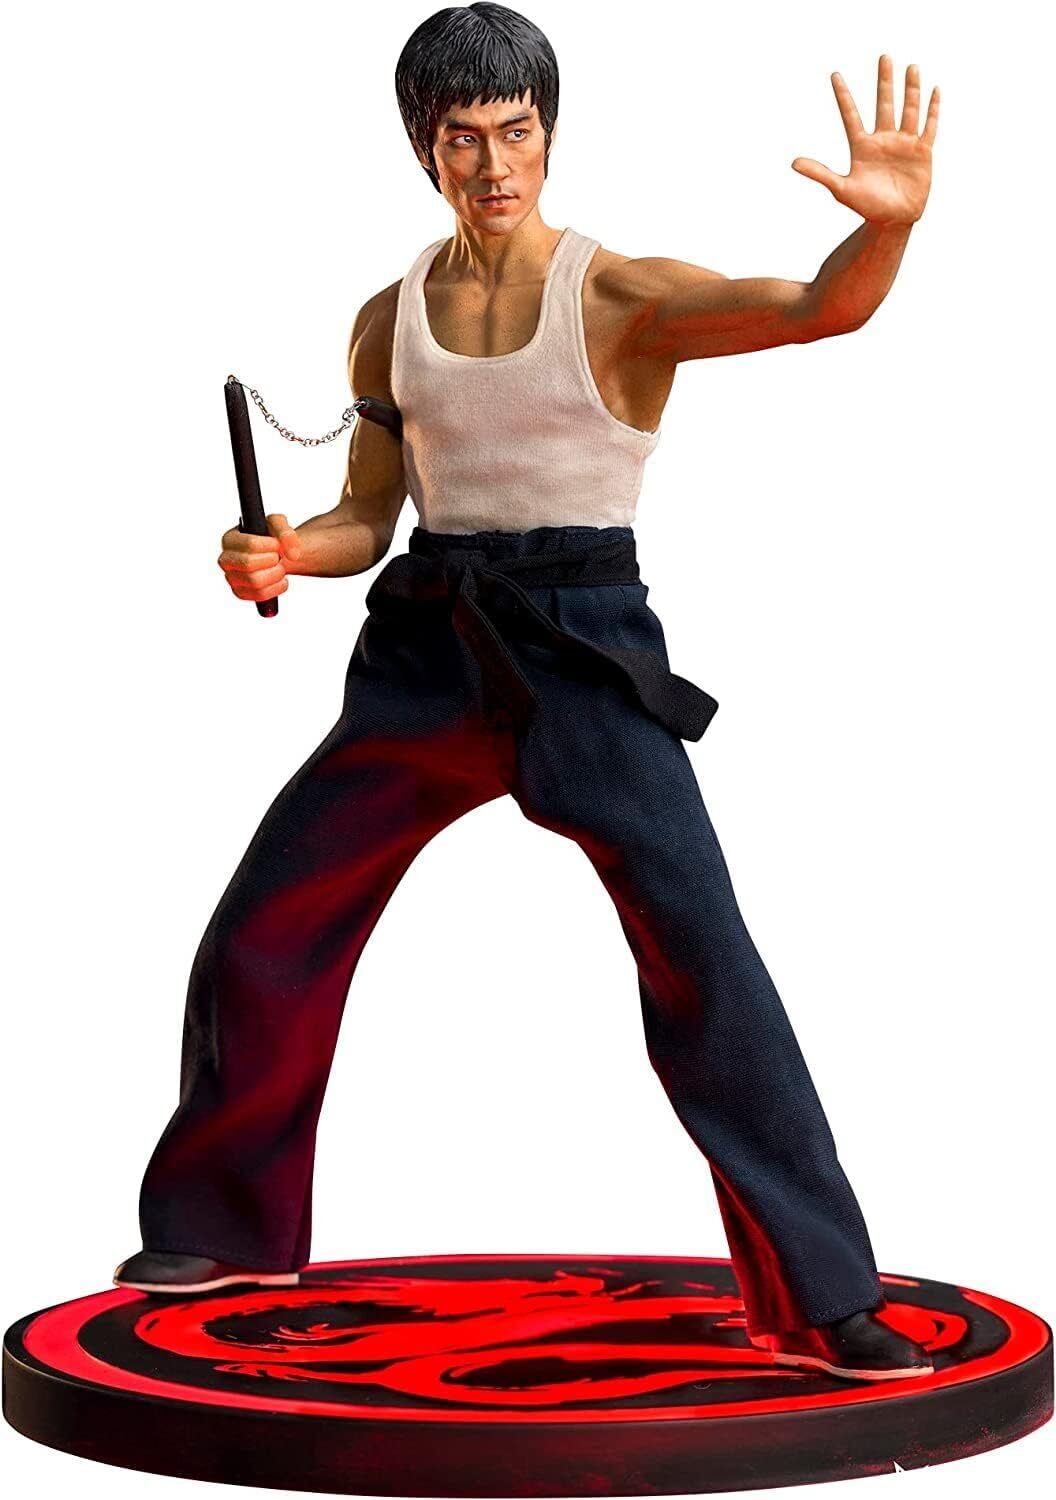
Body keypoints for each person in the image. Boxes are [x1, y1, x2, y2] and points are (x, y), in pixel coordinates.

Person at [115, 3, 940, 1382]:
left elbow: (819, 308)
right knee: (268, 923)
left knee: (706, 961)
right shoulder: (386, 321)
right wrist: (285, 550)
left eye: (517, 132)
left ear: (550, 136)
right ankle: (221, 1228)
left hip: (582, 648)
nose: (494, 164)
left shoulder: (618, 297)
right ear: (423, 149)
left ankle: (824, 1295)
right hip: (427, 646)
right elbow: (366, 514)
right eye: (463, 138)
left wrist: (888, 229)